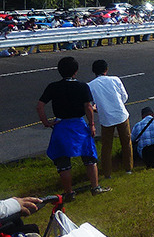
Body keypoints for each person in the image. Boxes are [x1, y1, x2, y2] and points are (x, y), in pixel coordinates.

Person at [36, 56, 110, 198]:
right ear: (75, 71)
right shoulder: (82, 86)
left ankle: (68, 192)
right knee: (89, 156)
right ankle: (95, 187)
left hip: (61, 125)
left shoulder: (53, 87)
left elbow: (40, 106)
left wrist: (46, 122)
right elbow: (88, 107)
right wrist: (92, 124)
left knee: (63, 160)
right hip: (78, 124)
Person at [88, 59, 133, 179]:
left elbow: (91, 104)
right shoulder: (115, 79)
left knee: (106, 146)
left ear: (94, 71)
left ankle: (107, 173)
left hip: (106, 118)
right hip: (121, 114)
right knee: (126, 142)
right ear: (106, 70)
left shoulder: (90, 85)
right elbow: (124, 97)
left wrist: (98, 109)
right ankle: (128, 168)